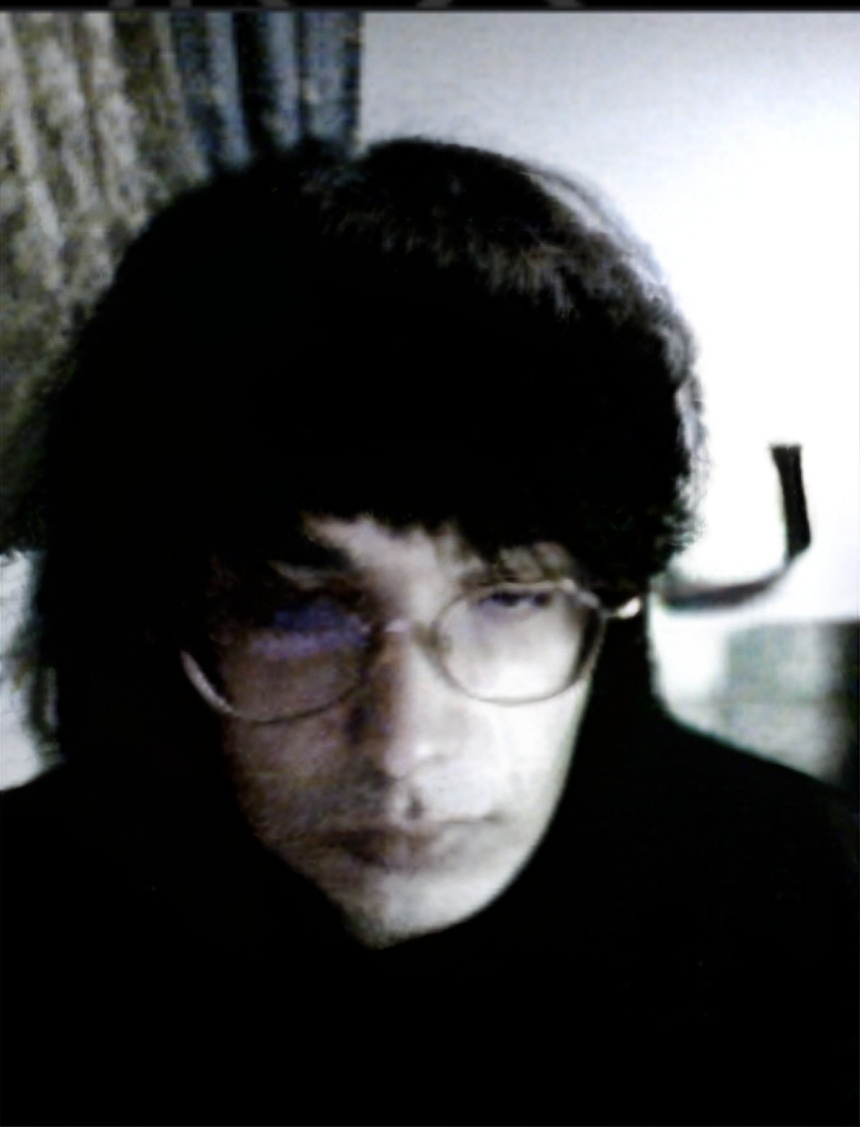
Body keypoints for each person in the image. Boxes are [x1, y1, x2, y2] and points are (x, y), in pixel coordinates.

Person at [0, 137, 856, 1127]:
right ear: (169, 618)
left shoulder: (815, 912)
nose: (404, 743)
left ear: (606, 597)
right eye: (298, 608)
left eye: (510, 597)